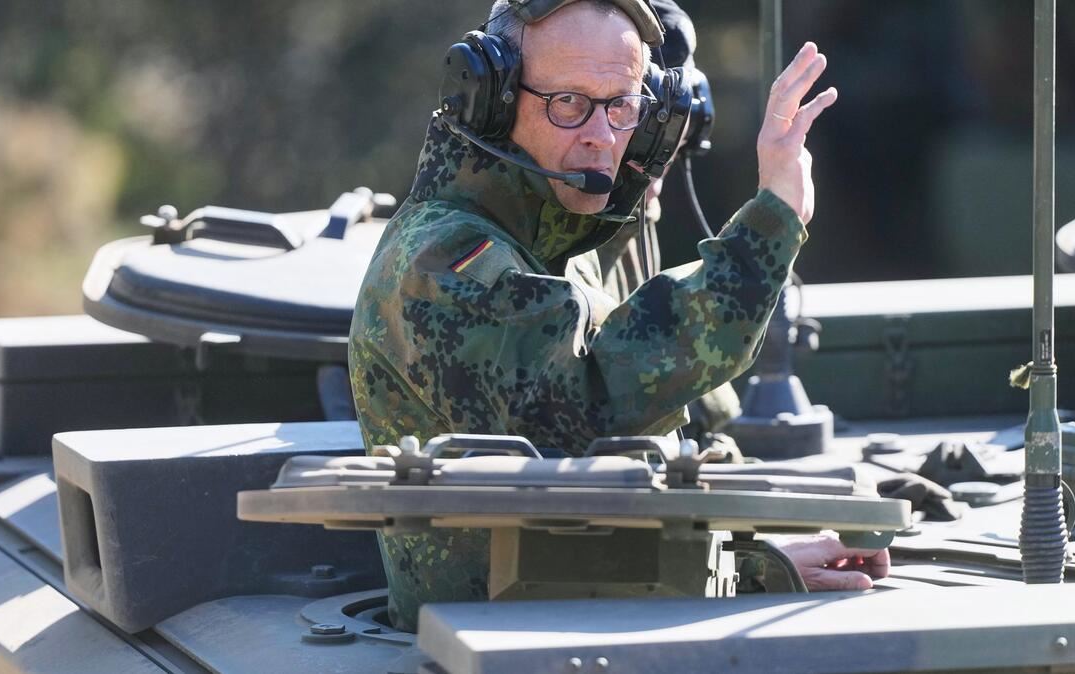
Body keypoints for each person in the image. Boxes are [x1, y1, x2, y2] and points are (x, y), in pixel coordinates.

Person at [349, 0, 887, 632]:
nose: (602, 136)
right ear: (490, 101)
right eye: (568, 104)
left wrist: (755, 554)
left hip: (584, 622)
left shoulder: (557, 239)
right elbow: (593, 404)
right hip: (502, 644)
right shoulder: (441, 262)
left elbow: (623, 484)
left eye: (622, 105)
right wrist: (770, 225)